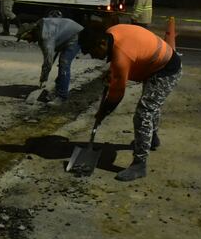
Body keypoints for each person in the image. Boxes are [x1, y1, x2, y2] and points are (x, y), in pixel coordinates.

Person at [78, 23, 182, 182]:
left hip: (166, 70)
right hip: (155, 64)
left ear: (102, 43)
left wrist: (103, 112)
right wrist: (113, 73)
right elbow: (127, 57)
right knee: (151, 104)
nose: (93, 57)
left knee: (144, 113)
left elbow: (117, 94)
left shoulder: (121, 56)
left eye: (92, 51)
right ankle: (152, 138)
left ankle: (139, 164)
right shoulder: (111, 34)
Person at [16, 17, 83, 103]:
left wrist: (43, 78)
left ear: (30, 32)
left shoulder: (45, 37)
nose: (28, 41)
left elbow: (48, 61)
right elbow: (49, 57)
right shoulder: (39, 26)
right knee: (61, 64)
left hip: (76, 35)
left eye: (27, 38)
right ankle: (58, 87)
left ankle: (62, 96)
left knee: (64, 63)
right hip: (67, 33)